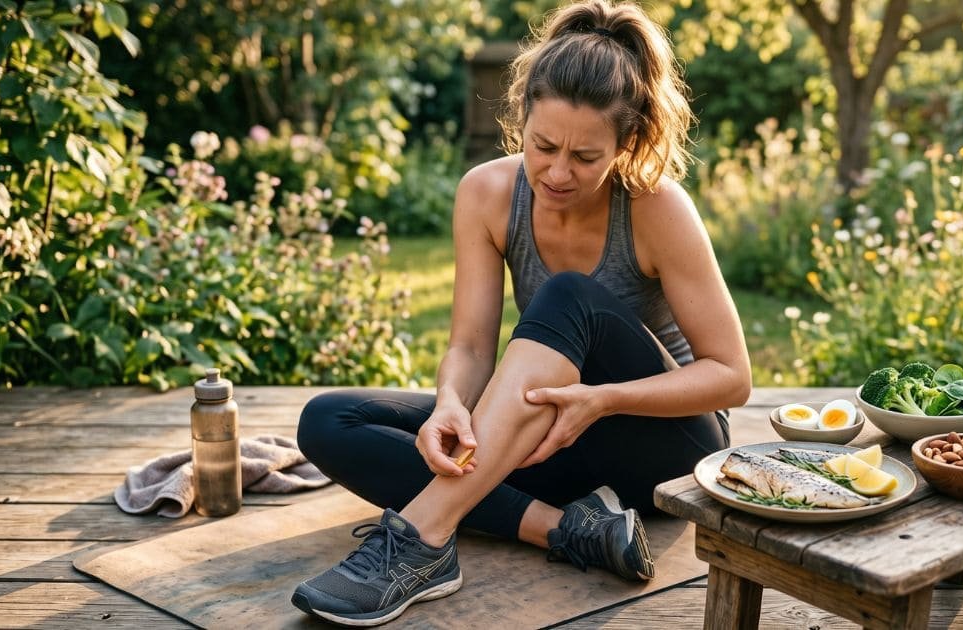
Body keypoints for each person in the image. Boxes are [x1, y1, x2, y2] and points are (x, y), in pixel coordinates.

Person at [290, 0, 751, 625]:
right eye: (544, 146)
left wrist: (602, 400)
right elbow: (472, 347)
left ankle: (421, 539)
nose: (558, 172)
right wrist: (451, 403)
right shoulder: (486, 194)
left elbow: (731, 377)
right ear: (522, 118)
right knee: (329, 421)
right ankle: (567, 529)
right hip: (550, 440)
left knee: (568, 294)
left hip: (661, 445)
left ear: (626, 143)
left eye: (585, 157)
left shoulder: (656, 206)